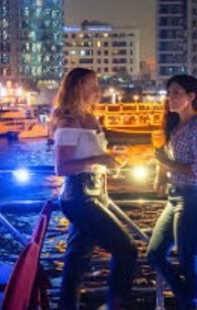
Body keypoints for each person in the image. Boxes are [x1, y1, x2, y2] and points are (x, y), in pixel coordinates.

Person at [50, 67, 137, 309]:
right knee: (127, 249)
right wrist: (98, 160)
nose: (97, 90)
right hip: (78, 196)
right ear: (78, 87)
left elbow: (92, 156)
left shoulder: (90, 117)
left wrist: (108, 161)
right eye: (93, 84)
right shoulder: (68, 121)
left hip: (98, 192)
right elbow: (62, 167)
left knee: (78, 258)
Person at [147, 74, 197, 309]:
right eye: (169, 93)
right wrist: (161, 174)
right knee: (155, 253)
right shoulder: (174, 127)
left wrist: (166, 163)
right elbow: (167, 158)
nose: (171, 98)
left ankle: (193, 304)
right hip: (175, 197)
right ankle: (190, 302)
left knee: (188, 261)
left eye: (177, 93)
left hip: (193, 199)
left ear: (191, 96)